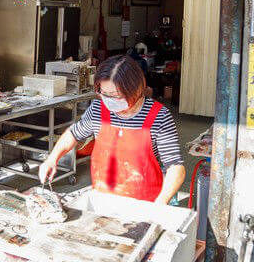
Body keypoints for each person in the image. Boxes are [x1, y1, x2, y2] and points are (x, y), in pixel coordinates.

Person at [39, 55, 185, 204]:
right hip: (103, 197)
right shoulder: (97, 110)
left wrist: (161, 202)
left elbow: (175, 166)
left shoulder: (159, 116)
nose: (109, 101)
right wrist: (52, 159)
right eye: (104, 94)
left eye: (115, 95)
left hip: (145, 202)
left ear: (136, 89)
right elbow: (73, 134)